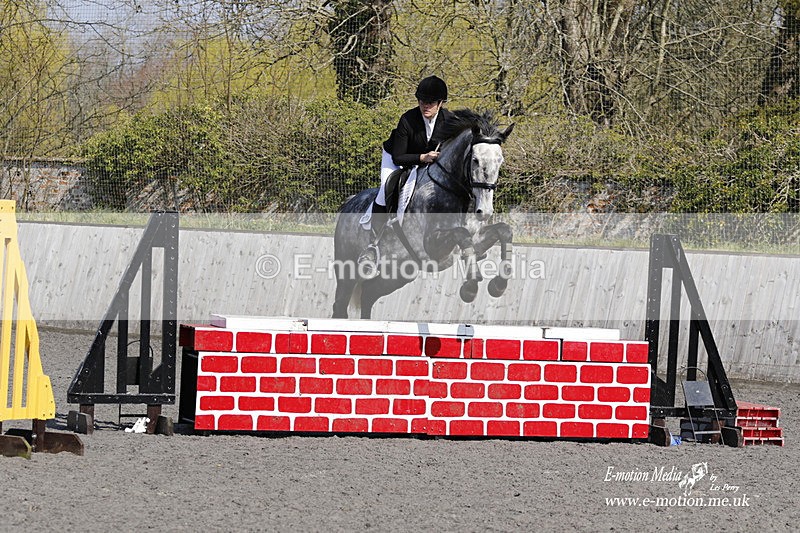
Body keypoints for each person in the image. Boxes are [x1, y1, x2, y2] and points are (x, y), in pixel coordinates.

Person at [358, 75, 453, 276]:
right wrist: (423, 157)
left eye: (430, 102)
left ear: (440, 103)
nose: (425, 105)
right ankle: (372, 246)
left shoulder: (449, 121)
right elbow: (399, 156)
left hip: (426, 163)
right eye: (421, 101)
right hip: (395, 158)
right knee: (386, 189)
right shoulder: (408, 119)